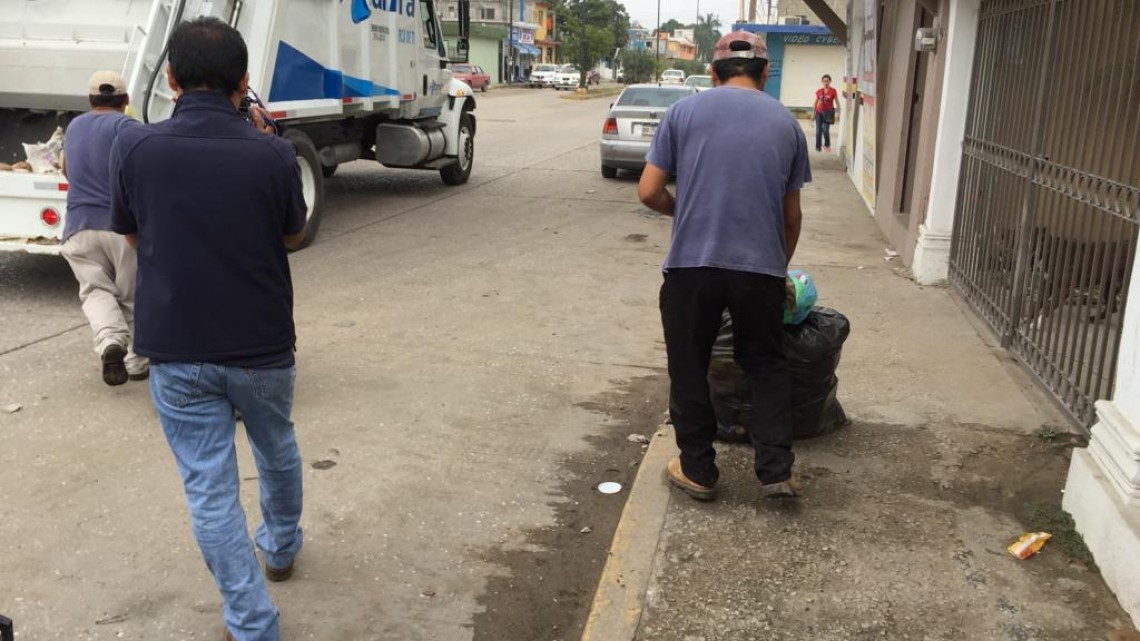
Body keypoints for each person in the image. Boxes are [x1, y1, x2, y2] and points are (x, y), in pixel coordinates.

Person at [109, 17, 307, 641]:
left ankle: (251, 622)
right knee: (276, 447)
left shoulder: (137, 149)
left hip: (179, 348)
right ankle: (280, 549)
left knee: (210, 488)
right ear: (244, 81)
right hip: (263, 346)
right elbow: (292, 234)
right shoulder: (273, 151)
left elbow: (135, 236)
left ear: (169, 80)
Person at [638, 31, 810, 501]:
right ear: (765, 73)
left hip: (691, 267)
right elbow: (791, 217)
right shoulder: (788, 125)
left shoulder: (683, 113)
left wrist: (687, 210)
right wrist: (778, 269)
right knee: (766, 365)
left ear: (712, 73)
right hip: (760, 270)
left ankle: (698, 471)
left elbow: (649, 191)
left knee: (689, 366)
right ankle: (775, 471)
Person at [59, 71, 147, 386]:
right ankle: (136, 363)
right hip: (121, 228)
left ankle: (110, 341)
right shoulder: (128, 127)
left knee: (95, 291)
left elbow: (68, 169)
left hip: (78, 227)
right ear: (125, 101)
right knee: (131, 294)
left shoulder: (75, 127)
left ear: (91, 99)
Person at [814, 74, 839, 152]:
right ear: (822, 82)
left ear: (830, 81)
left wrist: (838, 113)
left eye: (827, 81)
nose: (826, 82)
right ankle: (818, 146)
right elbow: (815, 103)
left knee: (825, 130)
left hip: (828, 114)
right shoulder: (819, 91)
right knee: (818, 131)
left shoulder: (833, 91)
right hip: (819, 113)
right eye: (824, 81)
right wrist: (812, 113)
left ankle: (827, 145)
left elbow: (837, 102)